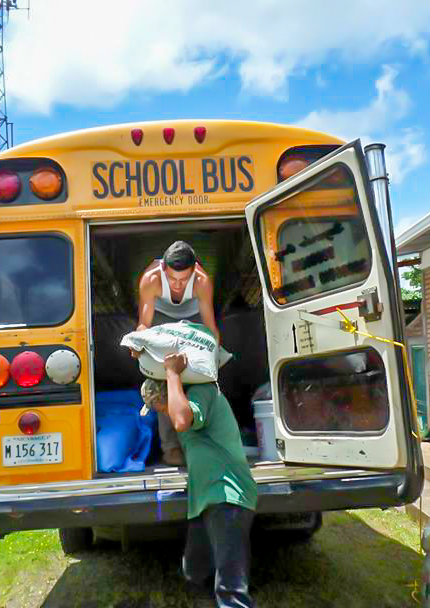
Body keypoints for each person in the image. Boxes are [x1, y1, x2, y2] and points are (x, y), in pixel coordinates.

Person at [140, 354, 256, 608]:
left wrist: (172, 373)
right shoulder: (182, 410)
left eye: (160, 405)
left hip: (227, 492)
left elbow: (182, 420)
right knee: (195, 570)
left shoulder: (203, 392)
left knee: (231, 590)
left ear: (171, 393)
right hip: (204, 500)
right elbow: (183, 448)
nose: (162, 412)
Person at [136, 241, 221, 466]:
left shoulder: (202, 281)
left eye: (184, 280)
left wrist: (213, 357)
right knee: (164, 378)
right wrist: (139, 343)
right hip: (161, 320)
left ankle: (202, 442)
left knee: (198, 378)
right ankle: (171, 448)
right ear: (164, 268)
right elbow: (144, 323)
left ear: (193, 271)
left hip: (193, 321)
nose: (177, 285)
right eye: (172, 279)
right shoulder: (150, 279)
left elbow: (210, 326)